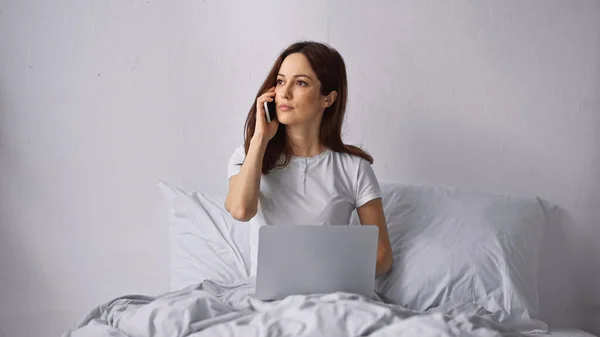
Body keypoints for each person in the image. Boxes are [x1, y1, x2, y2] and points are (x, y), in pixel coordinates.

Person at [225, 41, 393, 278]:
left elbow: (382, 254)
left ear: (328, 99)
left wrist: (335, 279)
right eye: (281, 81)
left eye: (301, 83)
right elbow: (241, 210)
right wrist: (260, 138)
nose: (285, 92)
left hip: (332, 296)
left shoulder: (354, 168)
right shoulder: (248, 154)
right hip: (267, 300)